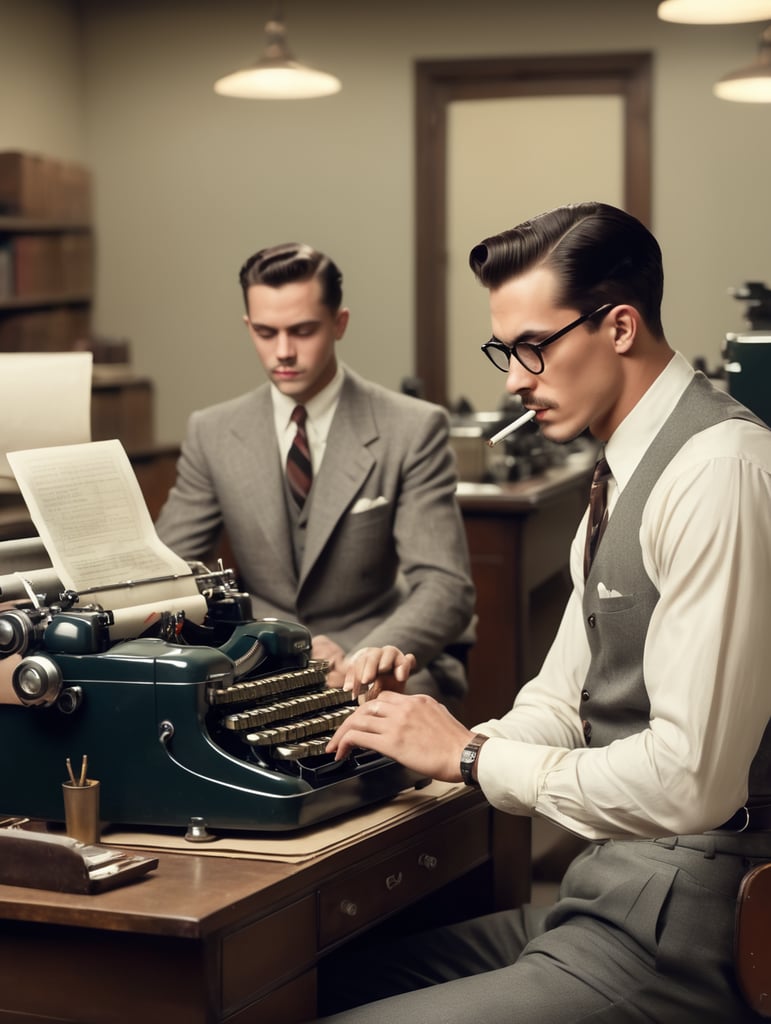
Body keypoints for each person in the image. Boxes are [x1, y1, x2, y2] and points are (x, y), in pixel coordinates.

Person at [313, 202, 771, 1023]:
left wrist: (468, 761)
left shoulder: (718, 474)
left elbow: (690, 780)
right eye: (506, 350)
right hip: (606, 897)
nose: (514, 378)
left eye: (532, 347)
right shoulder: (618, 471)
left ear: (620, 326)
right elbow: (562, 700)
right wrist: (411, 744)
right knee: (316, 983)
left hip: (690, 926)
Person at [154, 242, 475, 704]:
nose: (282, 352)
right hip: (254, 658)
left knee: (388, 741)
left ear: (339, 324)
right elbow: (170, 575)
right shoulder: (212, 431)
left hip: (370, 655)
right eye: (266, 332)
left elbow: (446, 587)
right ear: (249, 326)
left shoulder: (413, 428)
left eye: (302, 331)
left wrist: (363, 656)